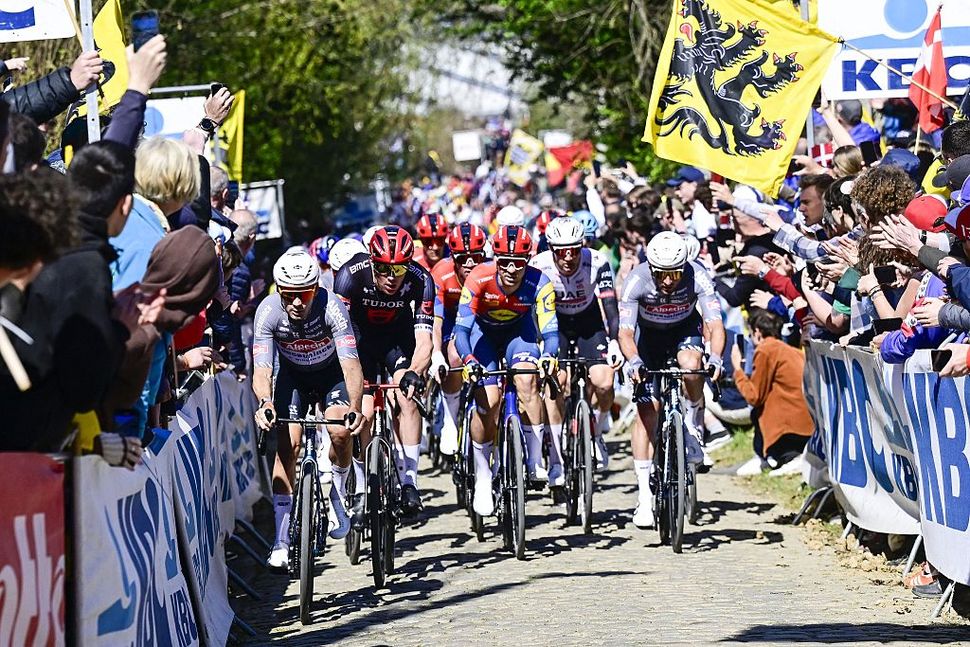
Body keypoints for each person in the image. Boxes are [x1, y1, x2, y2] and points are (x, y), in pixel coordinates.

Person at [252, 249, 365, 569]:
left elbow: (351, 365)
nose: (297, 302)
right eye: (289, 294)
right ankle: (281, 539)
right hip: (293, 378)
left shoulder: (333, 307)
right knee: (288, 446)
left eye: (304, 294)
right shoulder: (268, 311)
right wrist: (265, 402)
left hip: (331, 375)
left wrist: (356, 406)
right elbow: (262, 369)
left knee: (340, 431)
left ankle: (338, 494)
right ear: (279, 290)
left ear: (316, 288)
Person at [618, 232, 725, 528]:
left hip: (683, 330)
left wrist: (716, 357)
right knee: (647, 412)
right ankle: (644, 496)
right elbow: (625, 333)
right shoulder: (637, 280)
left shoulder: (697, 275)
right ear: (651, 268)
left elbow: (716, 325)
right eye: (661, 274)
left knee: (692, 367)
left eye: (675, 274)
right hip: (648, 338)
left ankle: (692, 425)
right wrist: (634, 361)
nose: (668, 281)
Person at [454, 225, 561, 516]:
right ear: (495, 260)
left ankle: (535, 459)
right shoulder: (479, 277)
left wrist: (549, 355)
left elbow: (550, 332)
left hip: (519, 334)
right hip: (483, 336)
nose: (512, 269)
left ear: (528, 261)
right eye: (504, 262)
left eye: (518, 263)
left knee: (528, 380)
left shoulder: (540, 282)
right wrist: (469, 360)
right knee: (488, 402)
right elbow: (461, 331)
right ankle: (483, 475)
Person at [333, 225, 434, 516]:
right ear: (371, 261)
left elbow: (424, 339)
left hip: (396, 341)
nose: (392, 277)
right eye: (384, 269)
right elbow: (338, 333)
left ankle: (410, 481)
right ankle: (364, 482)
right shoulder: (350, 274)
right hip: (358, 341)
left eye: (399, 270)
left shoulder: (421, 279)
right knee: (362, 412)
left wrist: (414, 371)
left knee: (407, 396)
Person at [530, 216, 623, 470]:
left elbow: (611, 307)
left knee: (604, 382)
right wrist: (539, 342)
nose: (569, 257)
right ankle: (556, 455)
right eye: (562, 251)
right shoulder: (538, 265)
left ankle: (597, 434)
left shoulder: (597, 261)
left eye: (574, 250)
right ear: (551, 249)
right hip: (555, 323)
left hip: (588, 321)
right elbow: (532, 311)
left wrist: (615, 342)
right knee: (556, 381)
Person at [429, 222, 488, 456]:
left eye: (476, 257)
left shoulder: (491, 271)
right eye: (463, 258)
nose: (470, 263)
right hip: (451, 321)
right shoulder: (441, 273)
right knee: (454, 356)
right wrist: (436, 354)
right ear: (453, 258)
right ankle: (451, 421)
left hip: (482, 320)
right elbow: (436, 320)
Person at [730, 309, 813, 473]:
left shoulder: (765, 349)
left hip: (788, 429)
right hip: (807, 425)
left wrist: (737, 370)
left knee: (757, 409)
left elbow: (754, 396)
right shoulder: (791, 351)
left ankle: (781, 457)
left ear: (757, 332)